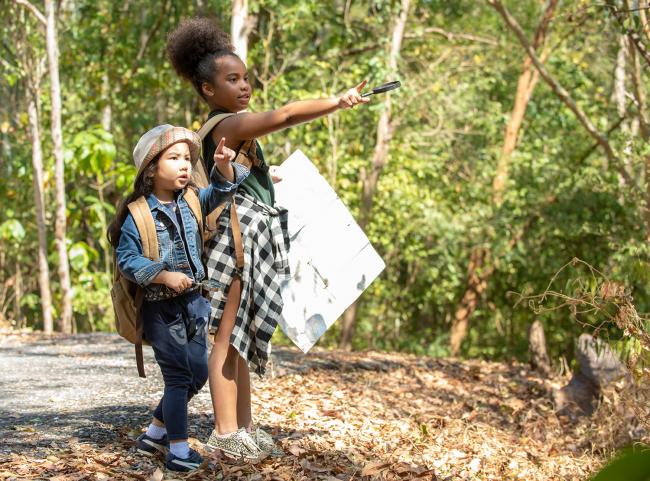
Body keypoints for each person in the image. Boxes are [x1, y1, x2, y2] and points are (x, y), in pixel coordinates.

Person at [166, 17, 369, 462]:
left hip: (249, 237)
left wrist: (266, 173)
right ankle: (224, 431)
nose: (244, 86)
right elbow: (286, 114)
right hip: (231, 241)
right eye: (232, 79)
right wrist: (337, 101)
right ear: (207, 90)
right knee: (225, 334)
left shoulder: (232, 132)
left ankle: (245, 428)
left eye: (246, 78)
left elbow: (242, 174)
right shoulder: (225, 125)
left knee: (240, 336)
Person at [107, 124, 247, 471]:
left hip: (195, 305)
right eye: (174, 158)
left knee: (198, 372)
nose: (185, 165)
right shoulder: (138, 214)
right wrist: (162, 274)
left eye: (187, 158)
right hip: (159, 309)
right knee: (178, 379)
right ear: (152, 168)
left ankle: (155, 432)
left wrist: (224, 166)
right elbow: (127, 258)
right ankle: (178, 453)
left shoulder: (192, 200)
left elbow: (221, 191)